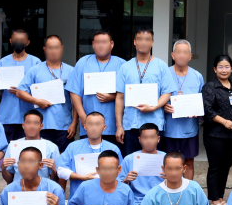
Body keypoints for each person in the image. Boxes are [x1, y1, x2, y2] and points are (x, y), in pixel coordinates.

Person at [115, 28, 177, 157]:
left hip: (154, 124)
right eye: (140, 39)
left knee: (154, 162)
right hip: (131, 124)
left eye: (147, 39)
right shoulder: (125, 67)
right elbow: (120, 98)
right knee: (132, 160)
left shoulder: (161, 66)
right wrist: (119, 126)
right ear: (134, 41)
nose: (143, 42)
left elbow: (167, 93)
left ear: (152, 42)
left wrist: (153, 107)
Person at [57, 112, 123, 205]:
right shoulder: (73, 147)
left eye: (97, 124)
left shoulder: (113, 149)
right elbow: (60, 170)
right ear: (84, 126)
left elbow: (120, 175)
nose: (93, 128)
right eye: (90, 124)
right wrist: (81, 177)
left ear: (104, 127)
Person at [15, 34, 76, 154]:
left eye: (56, 47)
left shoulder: (71, 71)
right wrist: (36, 101)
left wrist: (74, 123)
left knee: (63, 159)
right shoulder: (35, 70)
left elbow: (76, 99)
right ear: (44, 49)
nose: (53, 51)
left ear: (62, 48)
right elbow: (20, 92)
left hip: (64, 125)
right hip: (41, 125)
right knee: (41, 158)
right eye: (50, 48)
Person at [67, 29, 124, 147]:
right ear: (93, 44)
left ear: (111, 44)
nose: (100, 45)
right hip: (88, 124)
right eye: (97, 42)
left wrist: (112, 97)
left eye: (104, 42)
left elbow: (129, 93)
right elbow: (74, 92)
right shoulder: (83, 63)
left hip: (113, 125)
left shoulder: (122, 64)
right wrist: (83, 117)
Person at [202, 55, 232, 205]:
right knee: (216, 167)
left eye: (227, 67)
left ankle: (220, 196)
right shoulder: (210, 87)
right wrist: (224, 122)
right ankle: (214, 200)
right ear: (214, 69)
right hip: (215, 135)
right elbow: (208, 110)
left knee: (226, 166)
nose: (224, 70)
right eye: (220, 67)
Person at [163, 39, 204, 180]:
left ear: (190, 56)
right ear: (172, 55)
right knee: (169, 163)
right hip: (169, 128)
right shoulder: (165, 74)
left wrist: (197, 111)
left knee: (189, 162)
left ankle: (187, 190)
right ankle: (170, 189)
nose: (181, 55)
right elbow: (157, 97)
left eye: (185, 52)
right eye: (178, 52)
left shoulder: (197, 76)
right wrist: (163, 106)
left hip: (189, 128)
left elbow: (202, 100)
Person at [0, 29, 41, 144]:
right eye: (16, 40)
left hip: (28, 114)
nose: (19, 42)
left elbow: (39, 89)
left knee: (27, 148)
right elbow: (0, 92)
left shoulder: (35, 62)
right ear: (10, 41)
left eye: (22, 40)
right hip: (7, 114)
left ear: (27, 42)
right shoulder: (3, 62)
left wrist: (21, 91)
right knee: (7, 148)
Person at [2, 110, 60, 184]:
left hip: (42, 189)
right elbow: (9, 180)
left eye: (35, 123)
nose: (32, 126)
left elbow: (54, 182)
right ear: (23, 125)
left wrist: (54, 170)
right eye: (28, 123)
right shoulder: (13, 146)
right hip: (19, 189)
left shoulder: (52, 147)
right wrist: (3, 169)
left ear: (41, 126)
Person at [117, 123, 166, 205]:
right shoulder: (129, 159)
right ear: (139, 139)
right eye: (145, 137)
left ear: (158, 139)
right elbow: (117, 186)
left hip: (162, 202)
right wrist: (126, 180)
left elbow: (180, 183)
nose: (149, 141)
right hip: (137, 203)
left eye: (152, 137)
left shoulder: (167, 158)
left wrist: (171, 178)